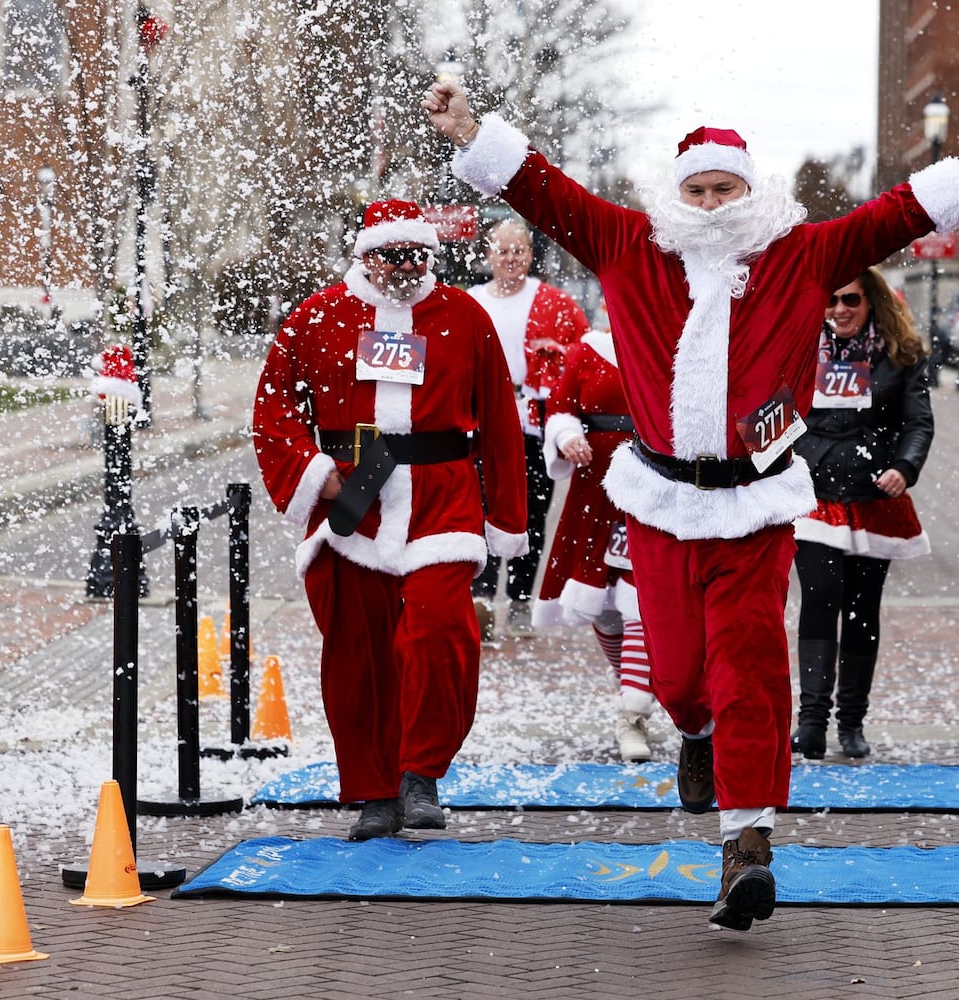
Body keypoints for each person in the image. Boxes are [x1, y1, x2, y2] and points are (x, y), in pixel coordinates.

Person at [423, 81, 959, 931]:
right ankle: (694, 733)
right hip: (659, 502)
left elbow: (894, 215)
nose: (713, 204)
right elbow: (544, 189)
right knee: (681, 679)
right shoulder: (626, 244)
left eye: (727, 189)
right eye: (698, 190)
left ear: (751, 193)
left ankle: (746, 846)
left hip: (756, 506)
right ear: (676, 194)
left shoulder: (798, 253)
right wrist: (471, 134)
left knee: (749, 667)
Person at [252, 198, 528, 841]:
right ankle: (374, 790)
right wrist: (317, 471)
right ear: (364, 255)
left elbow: (500, 423)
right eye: (389, 256)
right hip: (354, 495)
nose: (403, 268)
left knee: (438, 632)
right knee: (359, 649)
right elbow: (272, 414)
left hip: (442, 493)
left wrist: (506, 517)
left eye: (416, 256)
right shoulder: (317, 318)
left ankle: (420, 773)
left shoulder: (464, 317)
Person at [790, 268, 933, 761]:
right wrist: (803, 459)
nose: (840, 309)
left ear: (872, 301)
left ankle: (851, 723)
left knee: (862, 611)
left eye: (850, 299)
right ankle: (811, 721)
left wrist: (904, 466)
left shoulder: (900, 354)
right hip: (814, 497)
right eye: (830, 300)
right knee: (820, 595)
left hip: (874, 499)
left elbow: (919, 421)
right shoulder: (798, 348)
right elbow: (769, 417)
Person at [533, 327, 660, 762]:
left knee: (641, 601)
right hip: (595, 489)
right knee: (604, 608)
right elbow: (561, 408)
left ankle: (633, 715)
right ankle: (636, 682)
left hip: (652, 484)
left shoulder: (668, 341)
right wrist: (567, 436)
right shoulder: (588, 350)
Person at [466, 218, 590, 639]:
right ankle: (480, 597)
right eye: (502, 250)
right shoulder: (471, 301)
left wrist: (558, 354)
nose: (510, 258)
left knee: (532, 514)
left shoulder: (554, 302)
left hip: (536, 422)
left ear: (530, 256)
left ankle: (519, 601)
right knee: (480, 509)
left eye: (518, 250)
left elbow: (584, 352)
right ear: (489, 256)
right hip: (482, 420)